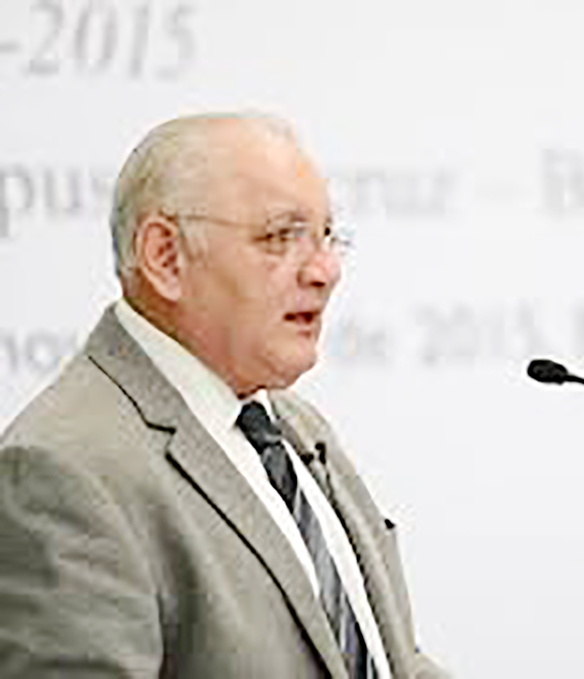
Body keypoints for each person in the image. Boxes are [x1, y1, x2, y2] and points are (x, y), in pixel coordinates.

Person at [0, 113, 448, 679]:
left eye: (327, 237)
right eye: (281, 236)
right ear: (166, 257)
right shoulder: (64, 471)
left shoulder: (291, 424)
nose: (326, 270)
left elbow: (390, 660)